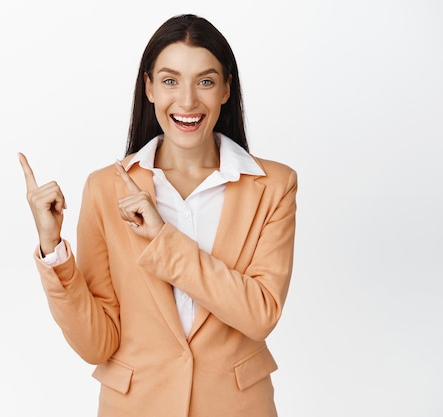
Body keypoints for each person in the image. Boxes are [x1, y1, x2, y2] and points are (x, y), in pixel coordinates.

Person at [19, 13, 297, 417]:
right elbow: (97, 344)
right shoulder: (105, 188)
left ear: (226, 89)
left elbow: (259, 314)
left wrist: (165, 239)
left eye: (205, 81)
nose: (187, 101)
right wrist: (52, 250)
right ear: (148, 87)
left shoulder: (273, 185)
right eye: (170, 81)